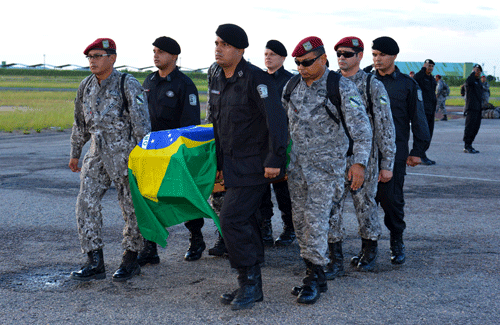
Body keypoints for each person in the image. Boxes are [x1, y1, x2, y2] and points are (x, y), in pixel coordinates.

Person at [284, 36, 372, 304]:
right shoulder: (291, 87)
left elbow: (362, 129)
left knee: (316, 220)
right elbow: (284, 127)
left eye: (308, 62)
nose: (302, 67)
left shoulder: (340, 87)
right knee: (299, 221)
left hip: (327, 169)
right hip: (297, 169)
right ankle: (316, 273)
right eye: (298, 63)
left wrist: (359, 163)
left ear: (323, 59)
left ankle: (313, 276)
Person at [209, 24, 288, 310]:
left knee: (231, 219)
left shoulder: (256, 78)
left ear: (240, 50)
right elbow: (216, 124)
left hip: (255, 166)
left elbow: (276, 121)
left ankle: (250, 282)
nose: (218, 48)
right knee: (247, 221)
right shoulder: (217, 77)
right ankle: (250, 283)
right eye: (216, 43)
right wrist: (217, 164)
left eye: (225, 44)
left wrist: (275, 160)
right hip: (230, 165)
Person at [69, 38, 151, 282]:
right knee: (85, 202)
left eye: (97, 56)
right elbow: (80, 122)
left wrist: (144, 160)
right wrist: (75, 152)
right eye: (90, 57)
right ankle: (94, 260)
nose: (92, 61)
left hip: (126, 156)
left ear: (112, 58)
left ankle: (131, 257)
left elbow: (142, 126)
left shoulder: (128, 84)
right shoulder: (85, 86)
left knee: (130, 207)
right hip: (96, 155)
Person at [327, 36, 396, 277]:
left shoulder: (372, 85)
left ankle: (369, 250)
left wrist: (387, 163)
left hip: (364, 157)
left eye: (347, 54)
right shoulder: (329, 82)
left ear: (359, 56)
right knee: (331, 207)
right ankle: (334, 256)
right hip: (334, 157)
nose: (342, 58)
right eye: (339, 54)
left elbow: (386, 125)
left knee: (365, 206)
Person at [136, 36, 205, 266]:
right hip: (151, 151)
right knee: (149, 197)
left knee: (183, 195)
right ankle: (150, 246)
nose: (156, 55)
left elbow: (190, 125)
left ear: (174, 56)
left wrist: (181, 152)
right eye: (154, 51)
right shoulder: (148, 81)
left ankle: (196, 238)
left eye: (161, 52)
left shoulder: (185, 85)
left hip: (175, 152)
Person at [371, 36, 430, 265]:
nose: (377, 59)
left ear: (394, 56)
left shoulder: (407, 84)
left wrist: (418, 150)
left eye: (382, 55)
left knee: (391, 201)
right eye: (374, 55)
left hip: (394, 153)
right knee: (366, 202)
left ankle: (397, 241)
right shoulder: (365, 80)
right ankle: (369, 247)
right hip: (366, 153)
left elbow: (419, 119)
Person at [260, 39, 295, 247]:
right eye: (265, 54)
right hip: (262, 144)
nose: (268, 57)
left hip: (285, 143)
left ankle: (289, 228)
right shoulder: (259, 80)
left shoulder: (291, 81)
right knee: (261, 191)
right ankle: (265, 229)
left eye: (272, 54)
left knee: (284, 192)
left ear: (283, 58)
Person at [414, 59, 437, 165]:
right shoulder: (420, 77)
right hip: (422, 110)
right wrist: (423, 68)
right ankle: (420, 155)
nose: (430, 68)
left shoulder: (432, 79)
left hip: (431, 110)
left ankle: (423, 154)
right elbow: (416, 78)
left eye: (432, 66)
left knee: (429, 134)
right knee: (422, 134)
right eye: (428, 66)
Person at [463, 64, 483, 153]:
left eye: (479, 70)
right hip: (471, 108)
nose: (477, 72)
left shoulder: (478, 82)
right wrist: (472, 73)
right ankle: (466, 146)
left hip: (478, 108)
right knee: (470, 127)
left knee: (476, 127)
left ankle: (470, 144)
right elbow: (468, 81)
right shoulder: (470, 80)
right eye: (476, 70)